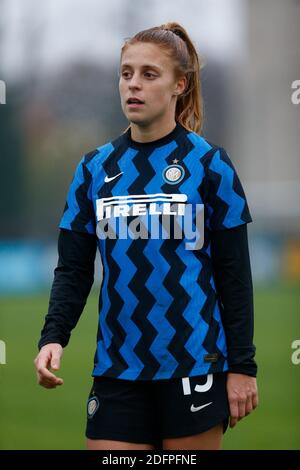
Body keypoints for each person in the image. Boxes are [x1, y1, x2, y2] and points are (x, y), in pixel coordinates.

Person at [34, 22, 258, 451]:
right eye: (126, 73)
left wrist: (242, 368)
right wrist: (53, 338)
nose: (133, 85)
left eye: (149, 74)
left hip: (194, 365)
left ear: (180, 84)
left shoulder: (210, 164)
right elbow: (74, 269)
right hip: (118, 370)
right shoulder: (93, 168)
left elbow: (235, 275)